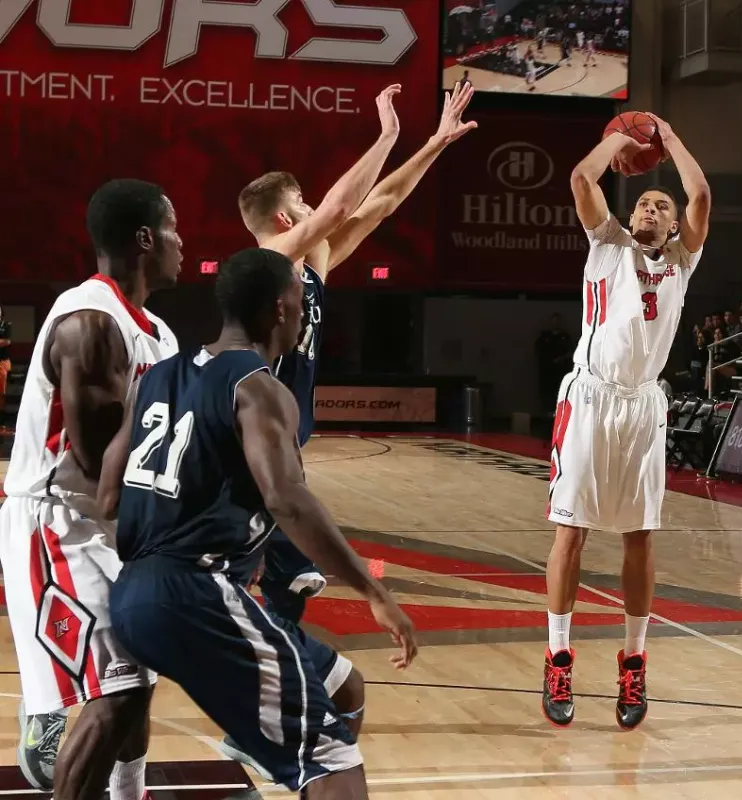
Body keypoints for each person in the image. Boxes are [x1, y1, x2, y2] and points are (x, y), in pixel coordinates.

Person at [97, 248, 418, 798]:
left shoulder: (159, 377)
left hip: (131, 596)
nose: (304, 315)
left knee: (343, 688)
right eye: (300, 302)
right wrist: (372, 589)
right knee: (331, 756)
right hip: (195, 593)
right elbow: (287, 500)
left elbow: (108, 496)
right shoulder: (259, 387)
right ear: (279, 309)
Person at [227, 80, 475, 768]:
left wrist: (431, 144)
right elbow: (340, 202)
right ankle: (280, 704)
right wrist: (389, 132)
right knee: (265, 585)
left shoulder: (312, 265)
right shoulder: (269, 265)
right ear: (284, 221)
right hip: (250, 455)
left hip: (280, 453)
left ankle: (270, 710)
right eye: (301, 204)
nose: (318, 210)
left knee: (284, 590)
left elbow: (380, 203)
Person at [0, 180, 182, 798]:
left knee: (138, 683)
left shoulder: (159, 332)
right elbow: (97, 465)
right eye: (174, 228)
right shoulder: (89, 323)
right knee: (118, 689)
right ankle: (44, 709)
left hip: (108, 521)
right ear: (144, 239)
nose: (183, 243)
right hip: (59, 524)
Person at [543, 113, 710, 730]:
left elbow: (701, 194)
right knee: (571, 533)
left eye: (660, 206)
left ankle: (633, 665)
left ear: (672, 225)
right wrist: (622, 135)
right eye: (642, 201)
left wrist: (667, 138)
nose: (651, 209)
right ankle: (558, 656)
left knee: (640, 537)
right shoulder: (607, 244)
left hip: (643, 407)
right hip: (590, 399)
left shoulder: (682, 264)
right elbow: (582, 176)